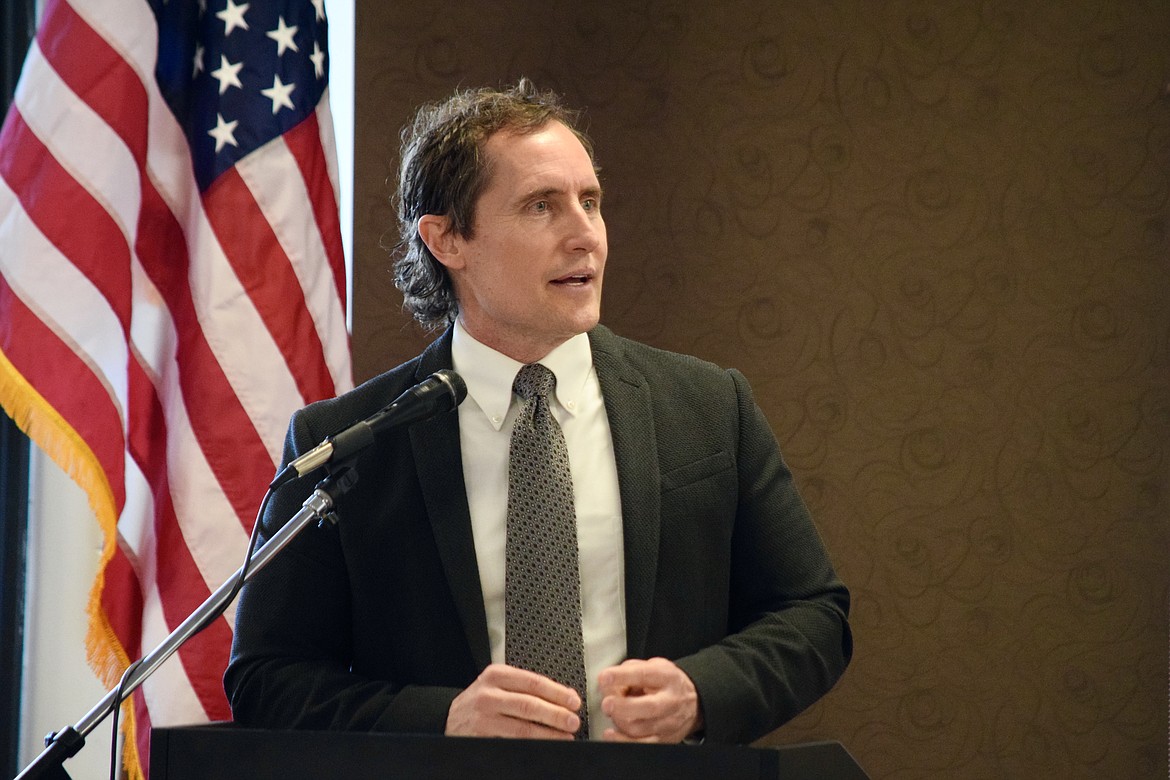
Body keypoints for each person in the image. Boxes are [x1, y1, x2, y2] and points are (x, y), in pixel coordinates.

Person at [224, 79, 852, 745]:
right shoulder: (347, 443)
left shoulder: (707, 408)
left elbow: (812, 615)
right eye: (541, 207)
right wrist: (445, 719)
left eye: (591, 202)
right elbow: (268, 677)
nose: (586, 235)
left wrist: (701, 693)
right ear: (447, 241)